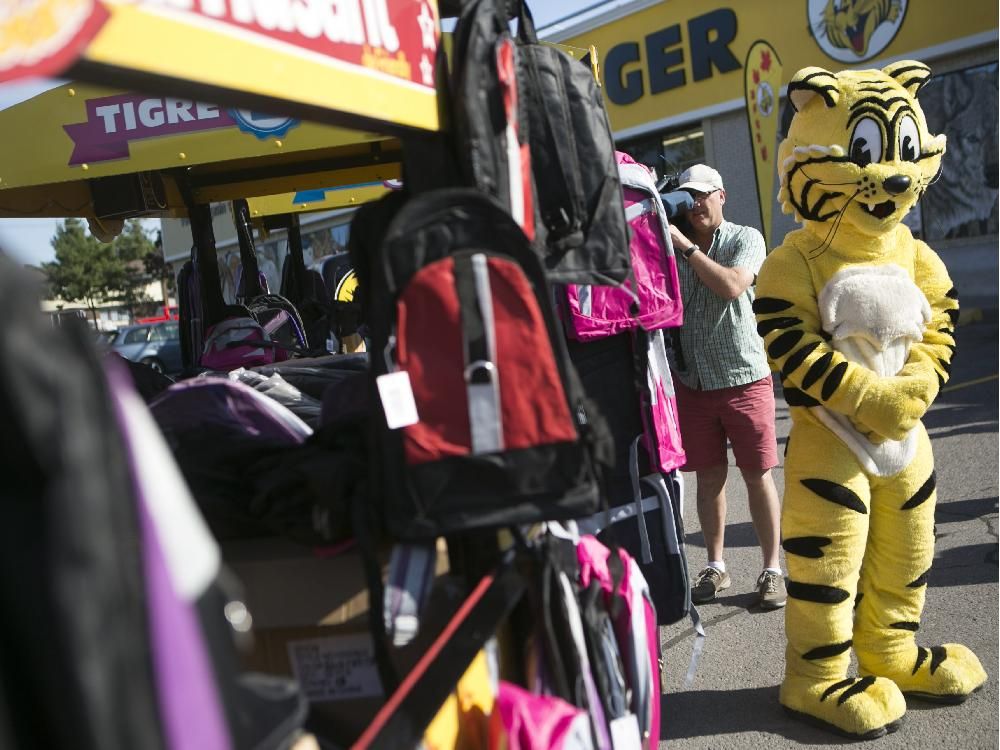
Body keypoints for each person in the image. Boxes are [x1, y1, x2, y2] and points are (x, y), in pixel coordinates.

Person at [666, 163, 786, 610]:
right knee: (709, 479)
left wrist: (688, 252)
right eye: (687, 197)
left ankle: (772, 569)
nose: (694, 205)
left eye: (702, 195)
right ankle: (715, 566)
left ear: (722, 195)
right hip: (693, 383)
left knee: (758, 476)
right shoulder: (671, 246)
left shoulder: (745, 238)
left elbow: (734, 286)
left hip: (743, 378)